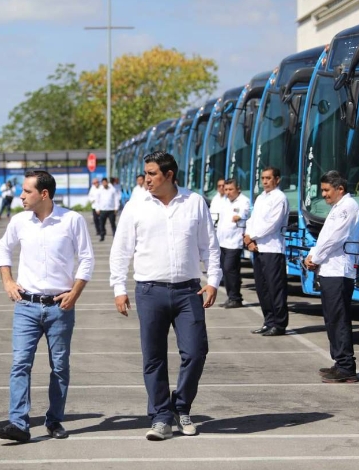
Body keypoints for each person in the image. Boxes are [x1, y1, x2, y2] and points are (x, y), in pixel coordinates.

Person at [109, 151, 221, 441]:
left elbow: (209, 245)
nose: (146, 179)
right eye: (146, 173)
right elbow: (121, 250)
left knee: (195, 352)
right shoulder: (136, 206)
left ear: (169, 175)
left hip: (189, 291)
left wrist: (213, 281)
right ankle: (160, 417)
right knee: (153, 357)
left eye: (152, 174)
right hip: (150, 291)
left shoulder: (194, 202)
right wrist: (119, 288)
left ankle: (181, 407)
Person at [0, 170, 94, 443]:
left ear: (44, 194)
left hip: (60, 306)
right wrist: (8, 281)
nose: (21, 196)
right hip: (26, 305)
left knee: (59, 366)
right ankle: (18, 423)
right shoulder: (19, 221)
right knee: (20, 364)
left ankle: (54, 420)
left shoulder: (72, 220)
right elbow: (3, 249)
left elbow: (86, 258)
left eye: (27, 191)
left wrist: (75, 292)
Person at [305, 171, 359, 383]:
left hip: (339, 271)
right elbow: (324, 238)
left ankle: (346, 366)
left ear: (340, 189)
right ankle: (339, 361)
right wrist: (312, 255)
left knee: (339, 319)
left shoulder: (348, 207)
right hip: (329, 270)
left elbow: (335, 238)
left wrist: (315, 258)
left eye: (326, 190)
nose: (324, 194)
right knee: (332, 319)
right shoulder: (337, 208)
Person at [244, 167, 289, 336]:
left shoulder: (279, 198)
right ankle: (268, 321)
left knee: (275, 287)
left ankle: (279, 324)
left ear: (277, 179)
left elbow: (272, 224)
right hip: (257, 247)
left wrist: (252, 236)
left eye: (268, 178)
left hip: (272, 248)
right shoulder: (261, 197)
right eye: (263, 178)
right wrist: (248, 237)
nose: (265, 181)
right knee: (262, 288)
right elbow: (252, 219)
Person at [217, 179, 251, 309]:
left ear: (238, 189)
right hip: (222, 241)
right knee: (225, 271)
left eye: (231, 189)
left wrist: (239, 216)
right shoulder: (225, 202)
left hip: (234, 242)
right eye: (226, 190)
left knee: (230, 269)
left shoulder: (244, 201)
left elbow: (244, 213)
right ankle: (231, 297)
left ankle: (236, 297)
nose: (228, 192)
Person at [95, 177, 119, 242]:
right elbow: (97, 200)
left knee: (113, 224)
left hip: (111, 209)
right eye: (103, 183)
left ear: (107, 182)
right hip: (103, 210)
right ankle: (102, 236)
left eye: (105, 182)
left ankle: (115, 236)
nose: (104, 183)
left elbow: (116, 199)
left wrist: (116, 207)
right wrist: (97, 209)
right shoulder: (99, 190)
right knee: (102, 224)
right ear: (102, 183)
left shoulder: (112, 189)